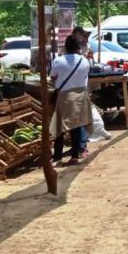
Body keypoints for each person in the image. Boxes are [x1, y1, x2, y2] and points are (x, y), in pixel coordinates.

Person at [50, 35, 91, 164]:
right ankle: (75, 155)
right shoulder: (84, 61)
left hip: (64, 96)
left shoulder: (58, 61)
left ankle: (57, 157)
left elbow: (52, 77)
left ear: (65, 47)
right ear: (78, 47)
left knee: (59, 127)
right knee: (77, 125)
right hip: (80, 96)